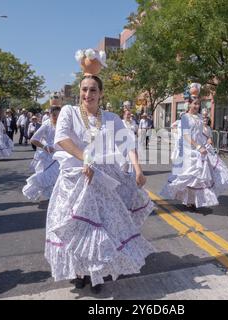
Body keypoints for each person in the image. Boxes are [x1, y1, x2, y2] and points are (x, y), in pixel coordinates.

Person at [45, 49, 154, 294]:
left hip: (103, 180)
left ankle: (97, 274)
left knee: (101, 228)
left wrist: (138, 170)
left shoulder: (112, 118)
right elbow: (62, 139)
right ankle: (79, 272)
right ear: (79, 92)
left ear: (101, 94)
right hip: (76, 180)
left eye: (93, 90)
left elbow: (128, 145)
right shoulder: (69, 112)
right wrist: (87, 157)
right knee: (75, 228)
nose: (88, 94)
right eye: (84, 89)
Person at [161, 95, 228, 210]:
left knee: (198, 178)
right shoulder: (185, 117)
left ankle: (192, 201)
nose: (196, 106)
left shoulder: (200, 117)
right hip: (189, 150)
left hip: (200, 148)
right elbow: (186, 135)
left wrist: (206, 143)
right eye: (194, 103)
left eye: (198, 104)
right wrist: (198, 146)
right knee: (189, 176)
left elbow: (201, 133)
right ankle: (187, 200)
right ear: (189, 104)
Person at [23, 106, 61, 201]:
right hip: (49, 155)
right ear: (50, 115)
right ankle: (51, 196)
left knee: (59, 175)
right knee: (48, 176)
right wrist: (45, 147)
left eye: (59, 115)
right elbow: (33, 139)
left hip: (61, 153)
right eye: (54, 115)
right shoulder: (46, 124)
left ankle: (56, 195)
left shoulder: (63, 124)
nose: (56, 117)